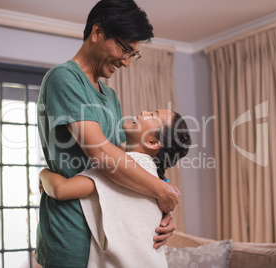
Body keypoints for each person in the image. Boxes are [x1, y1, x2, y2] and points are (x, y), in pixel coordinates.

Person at [36, 0, 180, 267]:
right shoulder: (64, 78)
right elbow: (102, 154)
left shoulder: (109, 96)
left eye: (133, 55)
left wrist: (161, 208)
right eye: (125, 49)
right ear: (97, 32)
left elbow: (129, 158)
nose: (126, 62)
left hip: (107, 233)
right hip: (72, 232)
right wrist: (161, 191)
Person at [40, 109, 191, 267]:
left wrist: (44, 173)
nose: (144, 111)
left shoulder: (125, 168)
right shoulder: (153, 174)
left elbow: (61, 189)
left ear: (152, 142)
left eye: (153, 115)